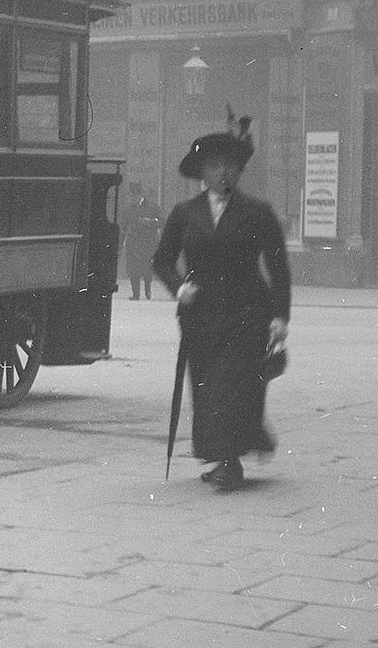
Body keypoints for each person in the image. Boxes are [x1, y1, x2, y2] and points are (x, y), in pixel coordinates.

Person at [151, 115, 290, 492]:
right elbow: (162, 260)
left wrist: (280, 316)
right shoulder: (185, 214)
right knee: (209, 388)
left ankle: (229, 462)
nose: (224, 173)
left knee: (231, 385)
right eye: (215, 166)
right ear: (203, 172)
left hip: (247, 312)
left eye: (231, 166)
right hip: (201, 316)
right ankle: (228, 452)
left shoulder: (258, 212)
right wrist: (180, 289)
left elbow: (278, 266)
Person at [123, 183, 162, 300]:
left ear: (141, 194)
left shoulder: (153, 206)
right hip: (133, 241)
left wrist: (148, 222)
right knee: (133, 268)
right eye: (131, 195)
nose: (133, 198)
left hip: (148, 242)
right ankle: (136, 294)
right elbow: (124, 225)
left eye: (135, 195)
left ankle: (148, 291)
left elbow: (162, 221)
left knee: (147, 268)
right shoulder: (128, 208)